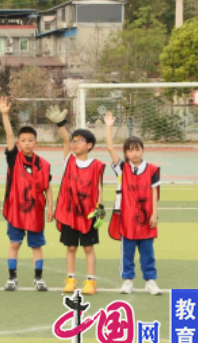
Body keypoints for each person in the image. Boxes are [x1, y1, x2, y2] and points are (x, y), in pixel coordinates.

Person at [47, 105, 105, 295]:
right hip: (69, 213)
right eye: (74, 141)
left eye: (79, 141)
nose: (74, 144)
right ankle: (70, 279)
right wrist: (61, 125)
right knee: (71, 247)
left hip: (88, 214)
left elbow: (99, 188)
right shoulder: (69, 161)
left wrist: (100, 209)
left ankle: (91, 281)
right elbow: (65, 140)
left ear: (89, 145)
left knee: (88, 247)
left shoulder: (96, 165)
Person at [104, 111, 162, 296]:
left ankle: (150, 281)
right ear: (126, 153)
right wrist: (108, 127)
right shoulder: (122, 169)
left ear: (142, 150)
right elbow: (110, 149)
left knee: (148, 252)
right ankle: (128, 281)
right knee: (127, 252)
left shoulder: (152, 169)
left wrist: (154, 215)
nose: (134, 153)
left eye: (137, 149)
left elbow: (154, 192)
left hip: (146, 219)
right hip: (128, 220)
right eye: (130, 150)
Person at [0, 96, 53, 292]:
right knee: (14, 244)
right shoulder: (14, 159)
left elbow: (48, 187)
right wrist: (5, 115)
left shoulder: (43, 164)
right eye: (23, 141)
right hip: (16, 210)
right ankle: (12, 278)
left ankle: (38, 278)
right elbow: (9, 135)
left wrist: (51, 207)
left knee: (36, 246)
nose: (27, 143)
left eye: (30, 140)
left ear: (36, 142)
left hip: (36, 212)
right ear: (18, 143)